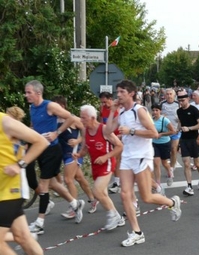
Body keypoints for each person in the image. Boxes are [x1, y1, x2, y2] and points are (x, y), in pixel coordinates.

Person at [105, 80, 181, 247]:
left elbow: (154, 133)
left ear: (131, 93)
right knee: (125, 194)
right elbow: (107, 131)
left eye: (121, 92)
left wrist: (132, 131)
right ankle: (137, 232)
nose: (118, 95)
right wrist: (112, 111)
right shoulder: (122, 113)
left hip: (142, 155)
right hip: (127, 156)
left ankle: (172, 203)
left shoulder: (139, 110)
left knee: (146, 197)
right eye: (117, 92)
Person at [0, 112, 63, 255]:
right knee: (22, 236)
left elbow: (40, 141)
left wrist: (20, 165)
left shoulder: (6, 122)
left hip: (10, 191)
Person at [25, 80, 85, 235]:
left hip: (53, 150)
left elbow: (72, 118)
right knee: (53, 183)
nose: (26, 95)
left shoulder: (50, 106)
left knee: (44, 185)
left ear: (38, 93)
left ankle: (39, 222)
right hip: (40, 150)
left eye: (29, 92)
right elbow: (34, 127)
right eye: (26, 92)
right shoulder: (32, 108)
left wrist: (56, 133)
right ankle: (75, 203)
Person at [74, 104, 126, 230]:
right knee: (103, 193)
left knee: (97, 191)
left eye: (84, 118)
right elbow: (85, 148)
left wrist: (106, 157)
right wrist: (79, 154)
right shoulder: (85, 130)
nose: (81, 120)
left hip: (107, 163)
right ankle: (118, 217)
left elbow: (119, 146)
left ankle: (112, 216)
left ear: (92, 117)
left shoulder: (104, 130)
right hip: (95, 164)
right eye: (81, 118)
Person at [52, 96, 97, 217]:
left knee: (68, 180)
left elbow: (86, 132)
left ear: (62, 106)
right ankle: (93, 200)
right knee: (79, 178)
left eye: (56, 105)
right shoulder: (54, 120)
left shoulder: (73, 119)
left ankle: (74, 207)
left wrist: (78, 141)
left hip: (74, 153)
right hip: (63, 153)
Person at [176, 88, 199, 196]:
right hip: (184, 139)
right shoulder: (178, 111)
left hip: (194, 139)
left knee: (197, 163)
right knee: (186, 163)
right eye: (179, 101)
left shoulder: (194, 110)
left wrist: (189, 128)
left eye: (183, 100)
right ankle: (189, 186)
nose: (181, 103)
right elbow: (180, 122)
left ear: (187, 99)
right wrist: (178, 128)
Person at [99, 92, 122, 194]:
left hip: (118, 138)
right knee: (111, 160)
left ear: (110, 99)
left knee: (116, 160)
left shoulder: (118, 109)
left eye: (105, 102)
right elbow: (101, 121)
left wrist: (120, 136)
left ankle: (117, 183)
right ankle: (115, 181)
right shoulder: (102, 108)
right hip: (107, 137)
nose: (104, 104)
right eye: (102, 102)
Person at [151, 103, 174, 187]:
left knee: (164, 162)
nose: (155, 112)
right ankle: (158, 183)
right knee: (156, 163)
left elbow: (172, 131)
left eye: (156, 110)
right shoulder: (151, 120)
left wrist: (162, 134)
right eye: (153, 110)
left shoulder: (164, 120)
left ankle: (169, 172)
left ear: (160, 111)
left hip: (165, 143)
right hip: (154, 143)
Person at [160, 88, 180, 173]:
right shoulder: (162, 104)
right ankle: (170, 165)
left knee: (173, 149)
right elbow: (157, 115)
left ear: (174, 95)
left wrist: (179, 126)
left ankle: (171, 168)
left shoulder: (178, 104)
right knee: (166, 151)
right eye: (167, 94)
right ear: (164, 96)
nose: (169, 96)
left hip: (175, 130)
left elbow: (182, 117)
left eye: (170, 94)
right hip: (166, 131)